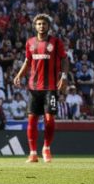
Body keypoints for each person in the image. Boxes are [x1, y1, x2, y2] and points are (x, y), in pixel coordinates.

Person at [12, 14, 69, 163]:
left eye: (44, 24)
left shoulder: (55, 42)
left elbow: (64, 59)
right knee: (32, 119)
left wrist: (63, 76)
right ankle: (32, 153)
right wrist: (19, 75)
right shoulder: (30, 42)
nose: (41, 26)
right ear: (35, 26)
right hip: (34, 88)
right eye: (39, 24)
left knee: (49, 119)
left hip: (50, 87)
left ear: (48, 26)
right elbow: (27, 61)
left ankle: (46, 148)